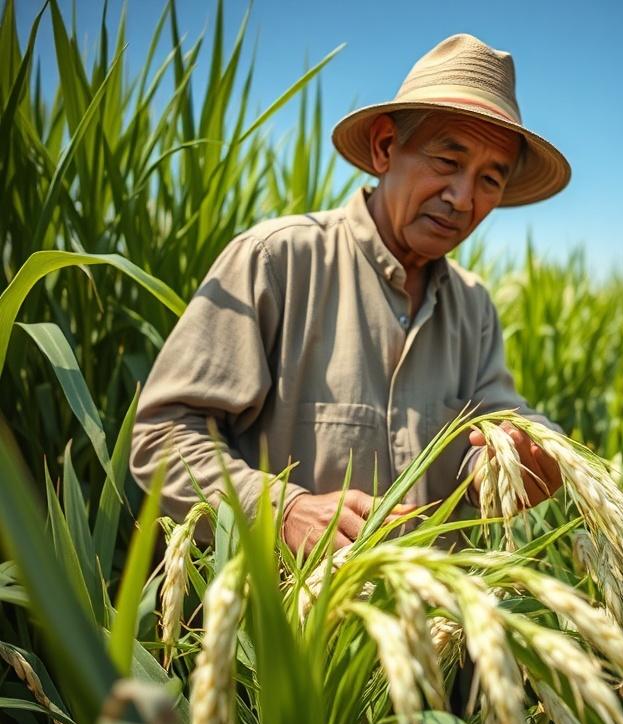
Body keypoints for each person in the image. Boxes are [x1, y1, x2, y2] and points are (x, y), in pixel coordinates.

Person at [129, 33, 571, 553]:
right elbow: (163, 436)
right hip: (279, 622)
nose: (462, 198)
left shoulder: (472, 307)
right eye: (447, 163)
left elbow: (498, 422)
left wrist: (524, 460)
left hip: (425, 625)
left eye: (489, 179)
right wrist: (280, 510)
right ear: (386, 148)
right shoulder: (277, 262)